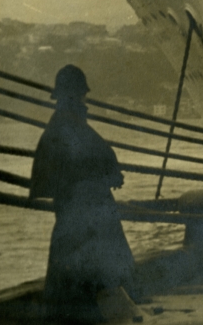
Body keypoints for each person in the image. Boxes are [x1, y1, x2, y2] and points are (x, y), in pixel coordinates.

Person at [29, 65, 138, 323]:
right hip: (83, 211)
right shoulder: (71, 126)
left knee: (69, 269)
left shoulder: (60, 125)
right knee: (85, 267)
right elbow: (93, 157)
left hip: (72, 211)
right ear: (79, 95)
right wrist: (109, 175)